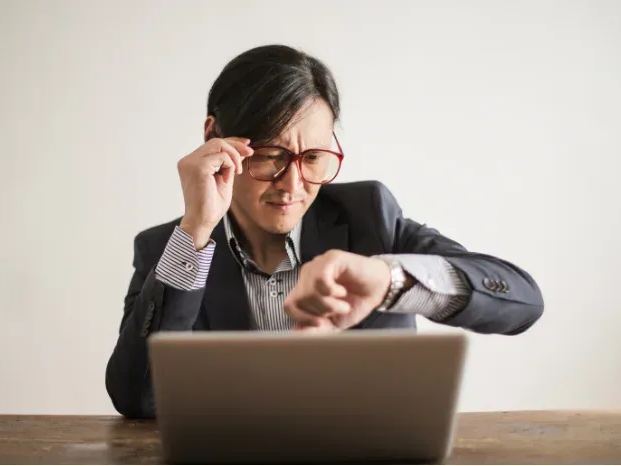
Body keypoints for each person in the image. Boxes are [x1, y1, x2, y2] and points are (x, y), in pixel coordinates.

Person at [105, 44, 544, 418]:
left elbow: (521, 300)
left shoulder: (369, 215)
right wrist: (196, 232)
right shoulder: (169, 248)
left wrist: (390, 282)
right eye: (270, 155)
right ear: (214, 141)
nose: (292, 186)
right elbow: (137, 398)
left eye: (313, 157)